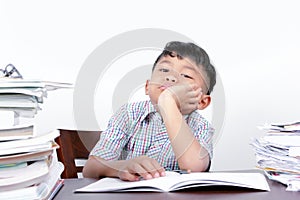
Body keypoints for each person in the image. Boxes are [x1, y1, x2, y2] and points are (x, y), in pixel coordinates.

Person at [83, 41, 216, 181]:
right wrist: (120, 167)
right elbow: (90, 169)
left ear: (202, 101)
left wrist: (168, 102)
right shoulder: (128, 114)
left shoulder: (201, 126)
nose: (171, 77)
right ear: (147, 86)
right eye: (164, 70)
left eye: (186, 75)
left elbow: (194, 168)